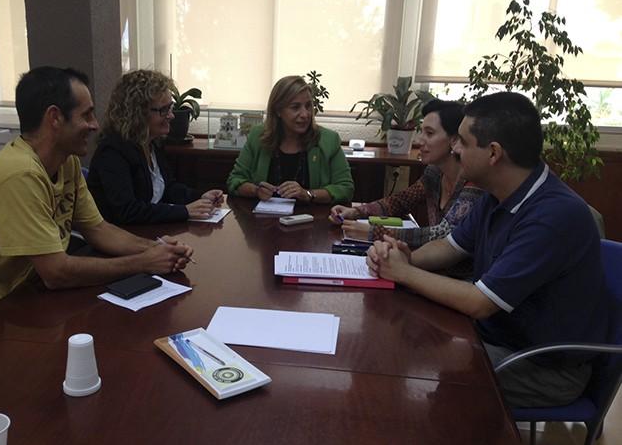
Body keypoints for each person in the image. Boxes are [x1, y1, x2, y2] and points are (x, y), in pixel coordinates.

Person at [366, 92, 611, 408]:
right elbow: (449, 247)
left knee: (415, 361)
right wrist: (405, 257)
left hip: (543, 366)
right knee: (405, 338)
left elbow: (480, 302)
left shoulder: (554, 216)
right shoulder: (497, 194)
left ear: (493, 153)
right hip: (497, 337)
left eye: (463, 142)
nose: (455, 149)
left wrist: (404, 272)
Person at [0, 67, 194, 345]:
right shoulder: (19, 174)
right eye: (86, 115)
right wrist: (142, 263)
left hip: (19, 306)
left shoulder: (67, 162)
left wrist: (157, 249)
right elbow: (56, 273)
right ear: (54, 117)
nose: (95, 125)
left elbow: (98, 229)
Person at [330, 100, 483, 251]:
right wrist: (355, 212)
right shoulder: (434, 172)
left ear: (455, 140)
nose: (419, 140)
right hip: (431, 260)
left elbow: (444, 236)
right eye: (421, 132)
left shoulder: (474, 183)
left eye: (429, 133)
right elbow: (401, 201)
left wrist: (374, 233)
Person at [87, 69, 223, 224]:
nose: (171, 115)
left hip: (149, 231)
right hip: (120, 234)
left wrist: (200, 197)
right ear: (138, 113)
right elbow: (127, 211)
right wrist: (184, 211)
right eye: (164, 110)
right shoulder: (112, 152)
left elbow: (168, 188)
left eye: (170, 107)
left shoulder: (152, 142)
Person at [227, 75, 354, 204]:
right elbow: (235, 181)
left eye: (308, 106)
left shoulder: (328, 140)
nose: (305, 114)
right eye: (295, 107)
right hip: (264, 215)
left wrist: (308, 194)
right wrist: (256, 190)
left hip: (311, 215)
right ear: (278, 110)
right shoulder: (258, 136)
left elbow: (345, 188)